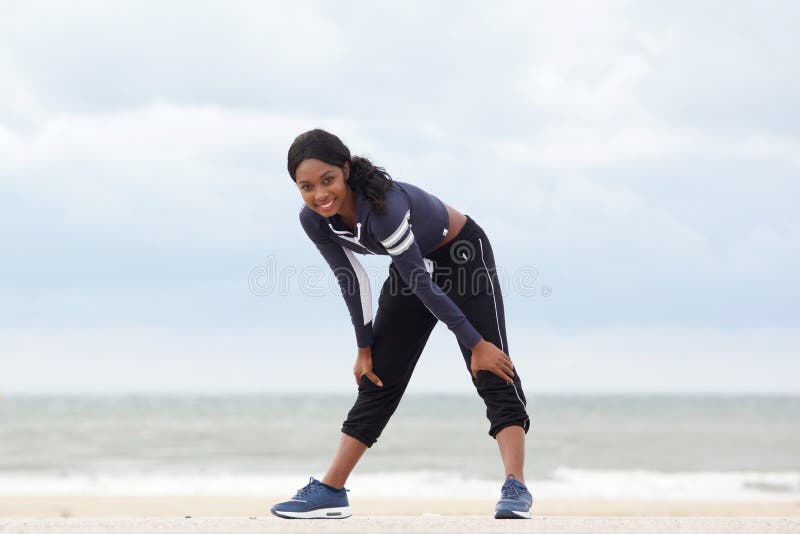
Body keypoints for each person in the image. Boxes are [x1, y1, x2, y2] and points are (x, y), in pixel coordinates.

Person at [270, 129, 532, 520]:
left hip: (463, 257)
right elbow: (351, 278)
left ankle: (516, 487)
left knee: (492, 367)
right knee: (377, 375)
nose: (319, 194)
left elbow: (422, 283)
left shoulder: (384, 209)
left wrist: (476, 344)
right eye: (306, 186)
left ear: (345, 170)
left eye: (327, 180)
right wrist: (363, 348)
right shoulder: (315, 221)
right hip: (413, 268)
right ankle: (331, 491)